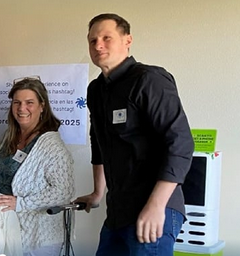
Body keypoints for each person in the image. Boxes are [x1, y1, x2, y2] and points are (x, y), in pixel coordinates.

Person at [74, 13, 194, 256]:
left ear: (127, 40)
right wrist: (98, 193)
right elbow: (99, 143)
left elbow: (180, 143)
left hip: (154, 209)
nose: (98, 45)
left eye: (107, 38)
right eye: (92, 40)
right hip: (118, 212)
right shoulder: (96, 90)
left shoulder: (149, 80)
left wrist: (156, 206)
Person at [0, 77, 74, 256]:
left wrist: (21, 203)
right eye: (17, 103)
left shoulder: (51, 145)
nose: (22, 109)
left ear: (42, 106)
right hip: (6, 228)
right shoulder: (10, 137)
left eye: (29, 102)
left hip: (38, 237)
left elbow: (63, 191)